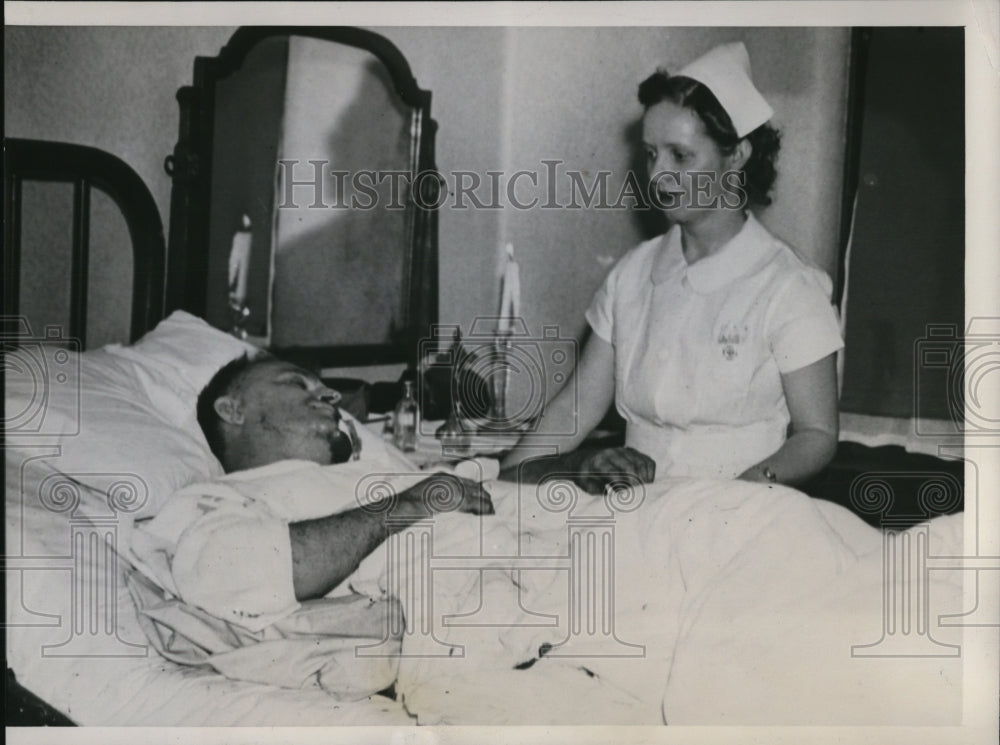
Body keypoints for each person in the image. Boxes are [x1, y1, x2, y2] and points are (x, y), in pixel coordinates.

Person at [501, 42, 843, 487]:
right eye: (650, 154)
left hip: (739, 510)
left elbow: (817, 434)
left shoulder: (789, 285)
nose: (658, 174)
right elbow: (574, 410)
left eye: (680, 155)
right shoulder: (631, 275)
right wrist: (504, 477)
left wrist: (745, 492)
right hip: (631, 510)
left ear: (736, 155)